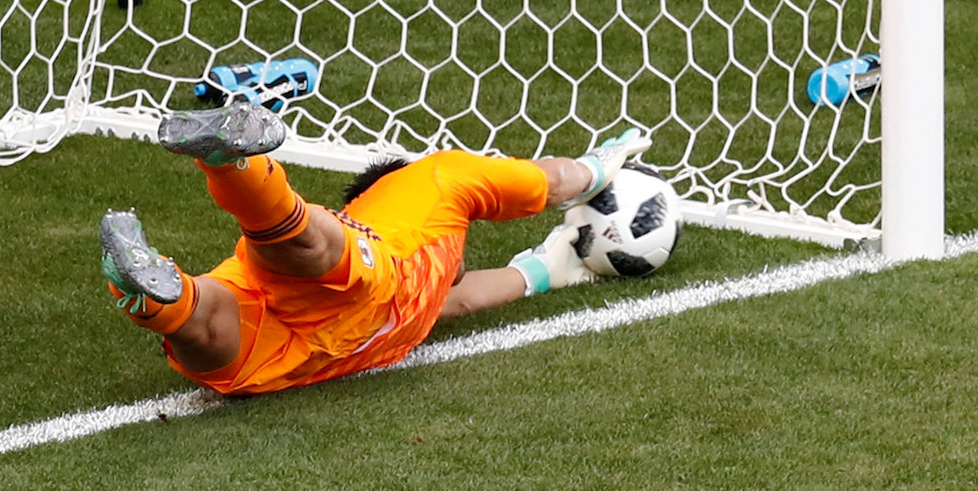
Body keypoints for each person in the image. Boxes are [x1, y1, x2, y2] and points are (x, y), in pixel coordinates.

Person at [100, 102, 652, 395]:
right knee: (309, 247)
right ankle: (232, 162)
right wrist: (597, 165)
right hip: (363, 283)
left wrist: (553, 267)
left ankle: (153, 298)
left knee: (203, 326)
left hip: (292, 350)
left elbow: (463, 297)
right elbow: (550, 182)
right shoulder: (431, 184)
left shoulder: (431, 293)